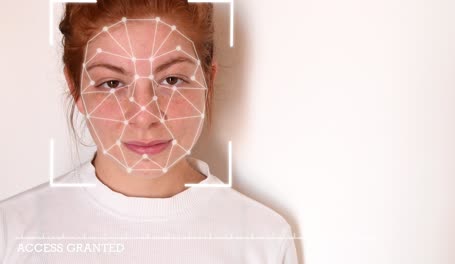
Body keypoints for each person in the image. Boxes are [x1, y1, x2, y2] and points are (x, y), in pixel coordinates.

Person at [0, 0, 298, 263]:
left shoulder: (265, 240)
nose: (144, 117)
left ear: (208, 79)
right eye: (112, 83)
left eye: (171, 79)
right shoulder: (11, 232)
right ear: (75, 87)